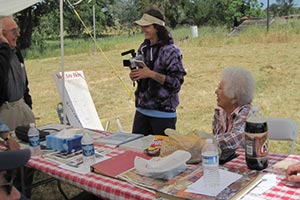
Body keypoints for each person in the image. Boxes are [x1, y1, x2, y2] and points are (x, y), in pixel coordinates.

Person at [129, 8, 186, 136]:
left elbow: (176, 83)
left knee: (162, 155)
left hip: (163, 114)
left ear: (157, 27)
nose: (142, 30)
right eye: (142, 26)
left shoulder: (171, 51)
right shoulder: (143, 48)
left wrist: (151, 74)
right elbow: (144, 75)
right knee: (136, 152)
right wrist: (137, 75)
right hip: (141, 111)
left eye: (146, 26)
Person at [212, 67, 256, 162]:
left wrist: (205, 141)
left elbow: (234, 140)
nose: (216, 92)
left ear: (234, 97)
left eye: (220, 88)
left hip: (244, 164)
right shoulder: (219, 112)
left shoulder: (247, 113)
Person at [0, 15, 35, 131]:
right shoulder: (3, 55)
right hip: (5, 113)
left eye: (18, 30)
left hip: (22, 108)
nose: (18, 34)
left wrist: (28, 105)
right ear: (1, 34)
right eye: (14, 31)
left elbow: (24, 83)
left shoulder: (15, 52)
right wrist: (3, 46)